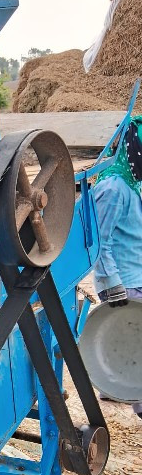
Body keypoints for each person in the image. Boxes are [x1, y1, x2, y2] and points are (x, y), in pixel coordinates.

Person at [93, 115, 142, 418]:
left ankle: (114, 387)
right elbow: (101, 241)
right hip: (124, 284)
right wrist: (112, 286)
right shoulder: (113, 187)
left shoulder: (131, 182)